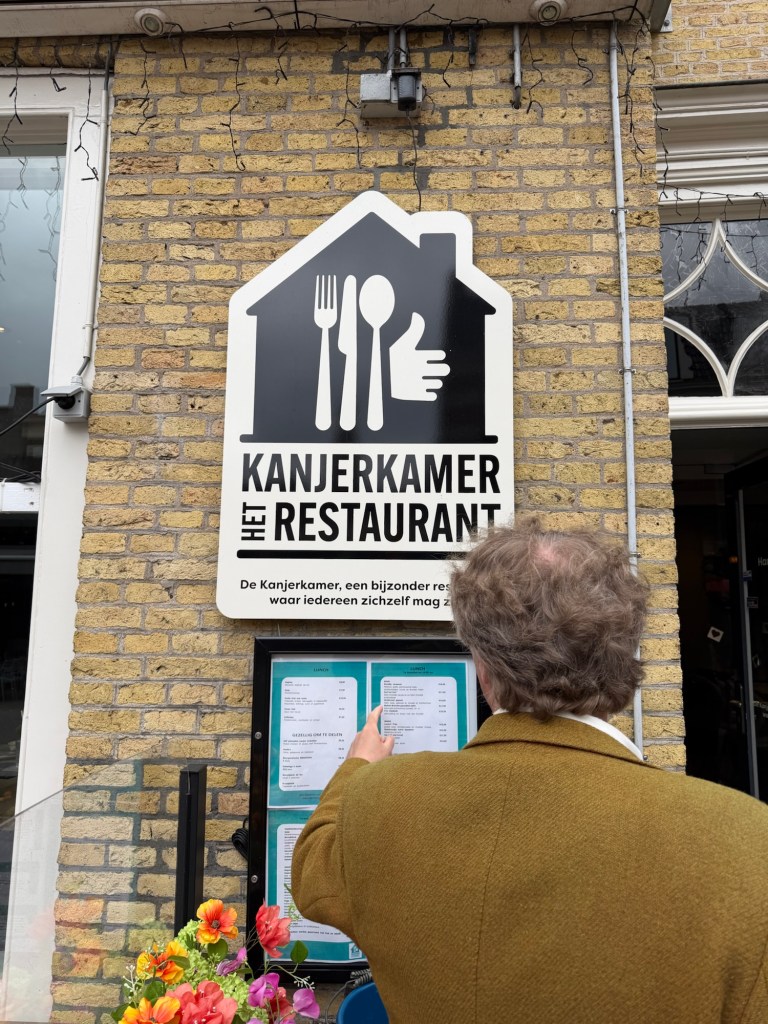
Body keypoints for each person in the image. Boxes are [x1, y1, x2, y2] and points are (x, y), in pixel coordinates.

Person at [291, 519, 768, 1023]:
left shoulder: (378, 800)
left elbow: (312, 872)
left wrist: (357, 768)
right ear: (624, 656)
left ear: (482, 663)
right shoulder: (745, 838)